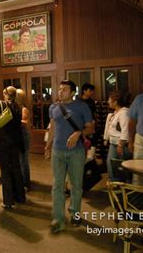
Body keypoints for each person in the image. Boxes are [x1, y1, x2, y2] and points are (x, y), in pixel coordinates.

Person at [45, 80, 94, 233]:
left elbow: (90, 128)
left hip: (76, 152)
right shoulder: (53, 107)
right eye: (59, 89)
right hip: (57, 151)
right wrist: (48, 146)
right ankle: (58, 218)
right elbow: (52, 127)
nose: (60, 92)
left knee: (76, 185)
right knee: (57, 186)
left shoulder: (82, 107)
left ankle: (75, 213)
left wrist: (79, 133)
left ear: (73, 93)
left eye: (65, 89)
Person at [0, 86, 26, 209]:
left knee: (5, 171)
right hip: (15, 142)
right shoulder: (18, 107)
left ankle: (8, 201)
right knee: (16, 169)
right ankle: (20, 197)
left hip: (4, 142)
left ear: (6, 94)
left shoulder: (1, 105)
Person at [103, 90, 132, 182]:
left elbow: (125, 129)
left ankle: (123, 186)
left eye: (109, 99)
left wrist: (120, 145)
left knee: (122, 166)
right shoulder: (115, 113)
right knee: (112, 164)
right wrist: (106, 139)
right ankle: (116, 184)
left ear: (115, 101)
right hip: (114, 143)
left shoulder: (124, 113)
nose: (108, 101)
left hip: (121, 144)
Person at [16, 89, 32, 190]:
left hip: (23, 136)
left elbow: (25, 122)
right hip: (19, 136)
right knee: (19, 160)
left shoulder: (23, 109)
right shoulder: (17, 108)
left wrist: (13, 119)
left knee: (23, 161)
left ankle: (26, 183)